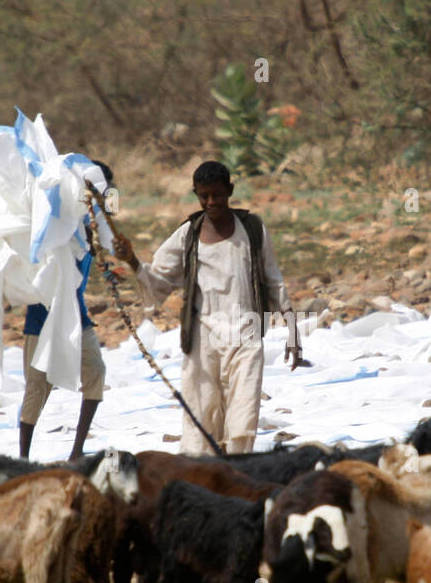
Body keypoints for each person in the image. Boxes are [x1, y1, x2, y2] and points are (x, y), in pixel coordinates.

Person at [112, 160, 301, 454]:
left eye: (217, 195)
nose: (211, 202)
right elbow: (159, 280)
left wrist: (293, 331)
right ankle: (207, 476)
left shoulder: (252, 230)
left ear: (230, 190)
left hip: (246, 334)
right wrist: (132, 261)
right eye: (204, 196)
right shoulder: (187, 235)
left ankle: (237, 473)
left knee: (243, 416)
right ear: (196, 195)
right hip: (203, 337)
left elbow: (273, 280)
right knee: (201, 414)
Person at [19, 159, 113, 460]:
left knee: (96, 371)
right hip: (41, 318)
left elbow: (92, 257)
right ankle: (23, 457)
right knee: (37, 387)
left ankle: (77, 451)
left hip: (77, 316)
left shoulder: (89, 231)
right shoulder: (53, 226)